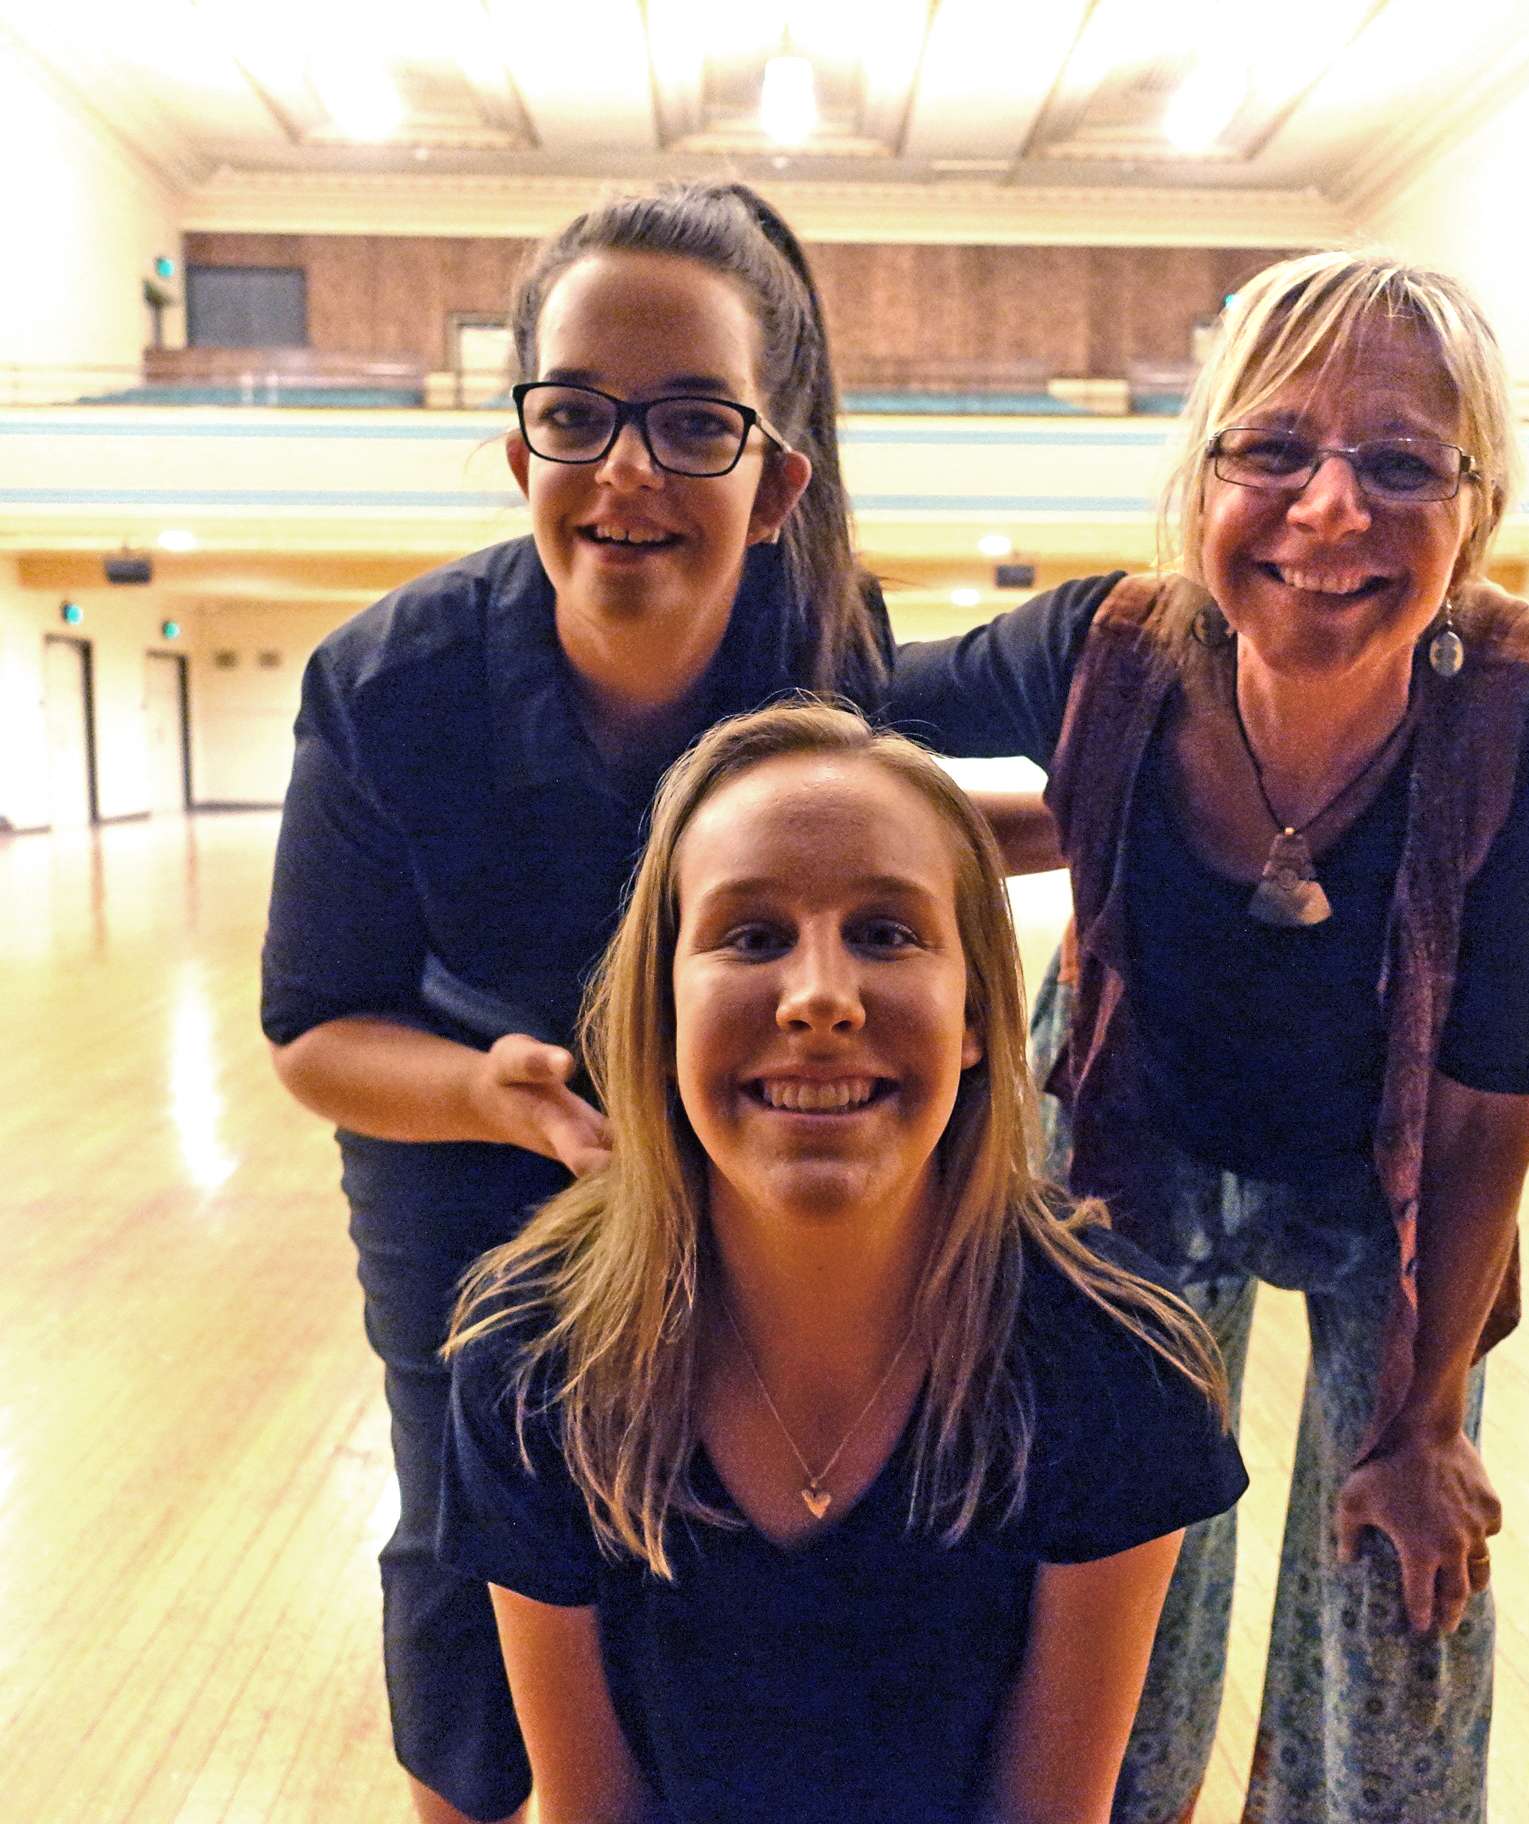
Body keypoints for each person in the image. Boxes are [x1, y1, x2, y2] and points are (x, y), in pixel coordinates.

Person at [885, 252, 1529, 1824]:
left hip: (1400, 1161)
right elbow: (828, 691)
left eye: (1400, 461)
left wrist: (1422, 1422)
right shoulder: (1103, 650)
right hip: (1139, 1125)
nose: (1331, 507)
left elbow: (1490, 1097)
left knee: (1406, 1584)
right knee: (1113, 1574)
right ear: (1202, 473)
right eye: (1274, 450)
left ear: (1472, 508)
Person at [260, 182, 892, 1824]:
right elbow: (316, 1032)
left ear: (774, 485)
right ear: (527, 444)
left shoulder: (829, 639)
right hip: (461, 1133)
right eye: (581, 415)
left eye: (695, 424)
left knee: (730, 1500)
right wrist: (492, 1091)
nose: (629, 470)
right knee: (466, 1506)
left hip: (745, 1138)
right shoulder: (387, 678)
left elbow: (898, 861)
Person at [436, 701, 1249, 1824]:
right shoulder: (533, 1361)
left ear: (976, 1016)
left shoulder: (1122, 1368)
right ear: (661, 1011)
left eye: (886, 933)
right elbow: (590, 1809)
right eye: (753, 936)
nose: (820, 996)